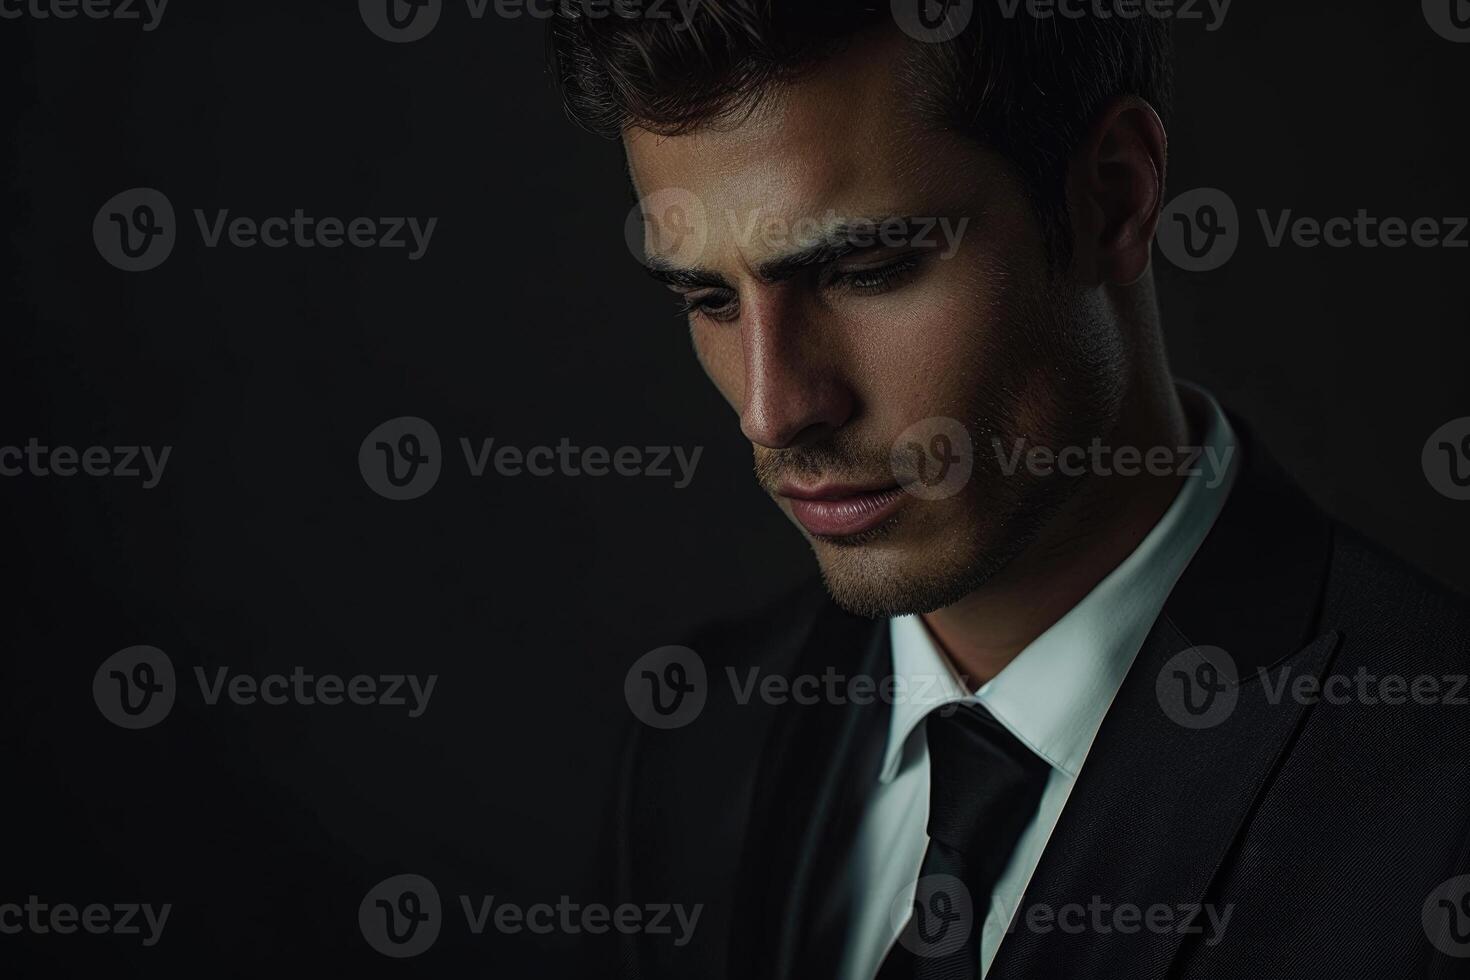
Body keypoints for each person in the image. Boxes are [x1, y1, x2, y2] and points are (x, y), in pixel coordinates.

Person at [547, 4, 1470, 977]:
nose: (773, 411)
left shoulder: (1437, 799)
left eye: (868, 270)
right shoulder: (694, 749)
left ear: (1114, 199)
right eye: (710, 299)